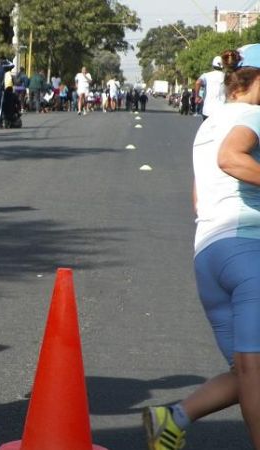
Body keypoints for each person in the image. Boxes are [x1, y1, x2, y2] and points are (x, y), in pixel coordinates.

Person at [143, 45, 260, 450]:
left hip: (209, 253)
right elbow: (233, 159)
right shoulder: (255, 116)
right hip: (248, 252)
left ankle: (173, 418)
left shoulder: (208, 125)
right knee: (254, 370)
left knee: (248, 372)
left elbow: (198, 197)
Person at [194, 56, 226, 121]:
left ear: (212, 65)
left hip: (207, 110)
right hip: (221, 110)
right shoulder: (226, 76)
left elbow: (198, 82)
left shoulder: (206, 75)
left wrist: (197, 96)